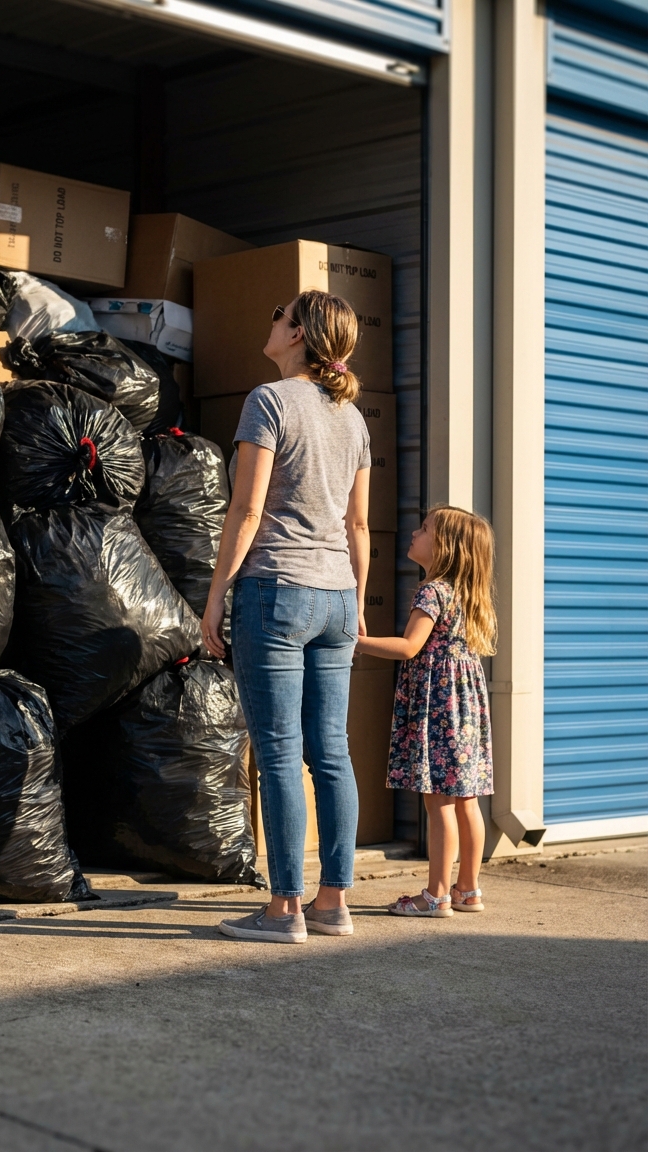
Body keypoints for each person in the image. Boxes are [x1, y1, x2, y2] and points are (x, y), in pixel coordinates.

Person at [202, 290, 371, 944]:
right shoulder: (352, 419)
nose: (270, 321)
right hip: (334, 597)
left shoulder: (268, 401)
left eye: (278, 314)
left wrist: (216, 595)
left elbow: (245, 513)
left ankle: (285, 910)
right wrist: (354, 598)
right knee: (331, 753)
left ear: (298, 333)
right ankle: (333, 903)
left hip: (276, 590)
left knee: (277, 754)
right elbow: (358, 523)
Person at [356, 505, 497, 916]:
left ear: (444, 547)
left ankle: (435, 895)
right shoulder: (470, 595)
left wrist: (354, 641)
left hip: (438, 704)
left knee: (439, 803)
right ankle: (468, 889)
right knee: (466, 799)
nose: (414, 533)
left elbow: (409, 647)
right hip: (466, 705)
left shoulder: (432, 591)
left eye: (424, 528)